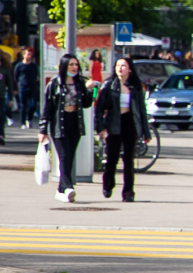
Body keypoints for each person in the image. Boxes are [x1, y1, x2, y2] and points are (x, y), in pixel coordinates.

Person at [92, 55, 147, 202]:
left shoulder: (135, 86)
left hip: (130, 123)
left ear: (129, 69)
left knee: (129, 159)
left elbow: (142, 110)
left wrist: (145, 132)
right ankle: (108, 184)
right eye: (117, 66)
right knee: (112, 158)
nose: (120, 69)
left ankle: (128, 191)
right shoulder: (109, 85)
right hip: (114, 123)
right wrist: (100, 127)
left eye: (123, 66)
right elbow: (99, 108)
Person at [44, 53, 90, 203]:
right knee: (63, 156)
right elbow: (47, 108)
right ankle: (69, 187)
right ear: (64, 66)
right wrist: (42, 129)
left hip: (74, 123)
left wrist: (90, 90)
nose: (74, 67)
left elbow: (88, 103)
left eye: (76, 65)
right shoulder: (54, 83)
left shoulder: (79, 83)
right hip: (59, 123)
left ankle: (60, 190)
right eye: (71, 64)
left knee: (69, 157)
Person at [14, 46, 40, 131]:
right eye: (27, 54)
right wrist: (17, 85)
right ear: (24, 55)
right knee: (23, 105)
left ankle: (29, 119)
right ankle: (22, 123)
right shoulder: (19, 66)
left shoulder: (34, 66)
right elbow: (16, 76)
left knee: (33, 105)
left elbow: (37, 75)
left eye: (30, 54)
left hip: (32, 86)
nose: (29, 56)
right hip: (22, 87)